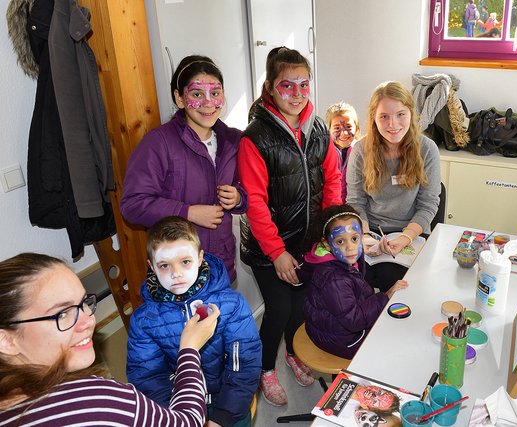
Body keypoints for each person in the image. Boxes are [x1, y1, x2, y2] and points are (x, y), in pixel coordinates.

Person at [0, 252, 219, 425]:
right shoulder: (95, 404)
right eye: (62, 314)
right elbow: (187, 422)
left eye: (84, 302)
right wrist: (189, 349)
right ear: (6, 340)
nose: (88, 320)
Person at [238, 46, 342, 406]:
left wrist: (328, 231)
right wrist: (277, 253)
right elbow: (254, 203)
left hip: (306, 240)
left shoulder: (318, 130)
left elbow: (333, 181)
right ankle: (266, 370)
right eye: (287, 85)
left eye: (304, 84)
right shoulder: (255, 138)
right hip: (268, 248)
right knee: (279, 309)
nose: (297, 94)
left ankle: (294, 354)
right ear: (270, 88)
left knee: (301, 306)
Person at [121, 55, 246, 283]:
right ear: (179, 98)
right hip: (176, 275)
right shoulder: (159, 143)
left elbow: (247, 189)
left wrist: (238, 198)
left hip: (221, 267)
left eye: (215, 93)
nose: (208, 103)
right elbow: (133, 204)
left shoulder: (234, 141)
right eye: (197, 94)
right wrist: (188, 213)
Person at [126, 216, 261, 427]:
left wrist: (222, 417)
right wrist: (179, 418)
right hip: (178, 406)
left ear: (199, 258)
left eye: (185, 261)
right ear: (151, 266)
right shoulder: (144, 321)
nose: (176, 274)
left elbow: (245, 363)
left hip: (227, 402)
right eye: (164, 266)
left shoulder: (231, 304)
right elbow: (148, 378)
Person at [346, 81, 441, 293]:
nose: (393, 124)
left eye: (400, 114)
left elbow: (428, 205)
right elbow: (355, 202)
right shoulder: (360, 150)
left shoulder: (427, 149)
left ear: (410, 113)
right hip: (371, 232)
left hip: (412, 233)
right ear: (373, 118)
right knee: (351, 280)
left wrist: (404, 238)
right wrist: (365, 236)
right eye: (384, 116)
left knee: (396, 281)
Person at [302, 205, 408, 359]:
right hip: (342, 339)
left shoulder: (345, 259)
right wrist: (385, 296)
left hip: (336, 324)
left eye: (354, 238)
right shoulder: (334, 280)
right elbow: (354, 321)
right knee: (393, 348)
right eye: (340, 242)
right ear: (326, 244)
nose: (350, 248)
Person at [325, 102, 361, 203]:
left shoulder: (362, 152)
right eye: (337, 128)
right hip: (330, 206)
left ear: (357, 129)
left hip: (354, 205)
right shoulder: (324, 153)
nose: (344, 133)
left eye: (348, 127)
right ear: (329, 130)